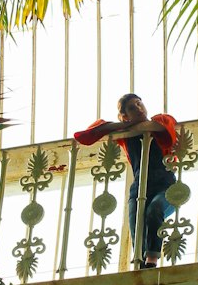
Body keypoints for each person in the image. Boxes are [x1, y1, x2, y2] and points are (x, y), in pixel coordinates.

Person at [74, 94, 178, 269]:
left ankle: (152, 260)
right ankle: (141, 262)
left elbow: (160, 127)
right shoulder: (125, 135)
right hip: (138, 187)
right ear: (123, 115)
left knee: (155, 210)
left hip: (165, 183)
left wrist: (130, 125)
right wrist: (123, 125)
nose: (138, 108)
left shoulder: (160, 119)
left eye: (139, 103)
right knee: (137, 224)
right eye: (131, 107)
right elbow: (87, 135)